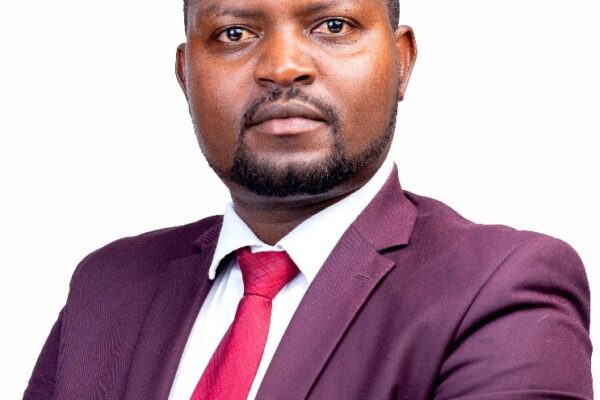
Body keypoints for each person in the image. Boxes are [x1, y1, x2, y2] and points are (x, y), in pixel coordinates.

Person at [24, 0, 592, 399]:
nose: (282, 67)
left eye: (333, 25)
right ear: (185, 75)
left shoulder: (500, 287)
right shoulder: (108, 287)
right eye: (234, 34)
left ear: (402, 62)